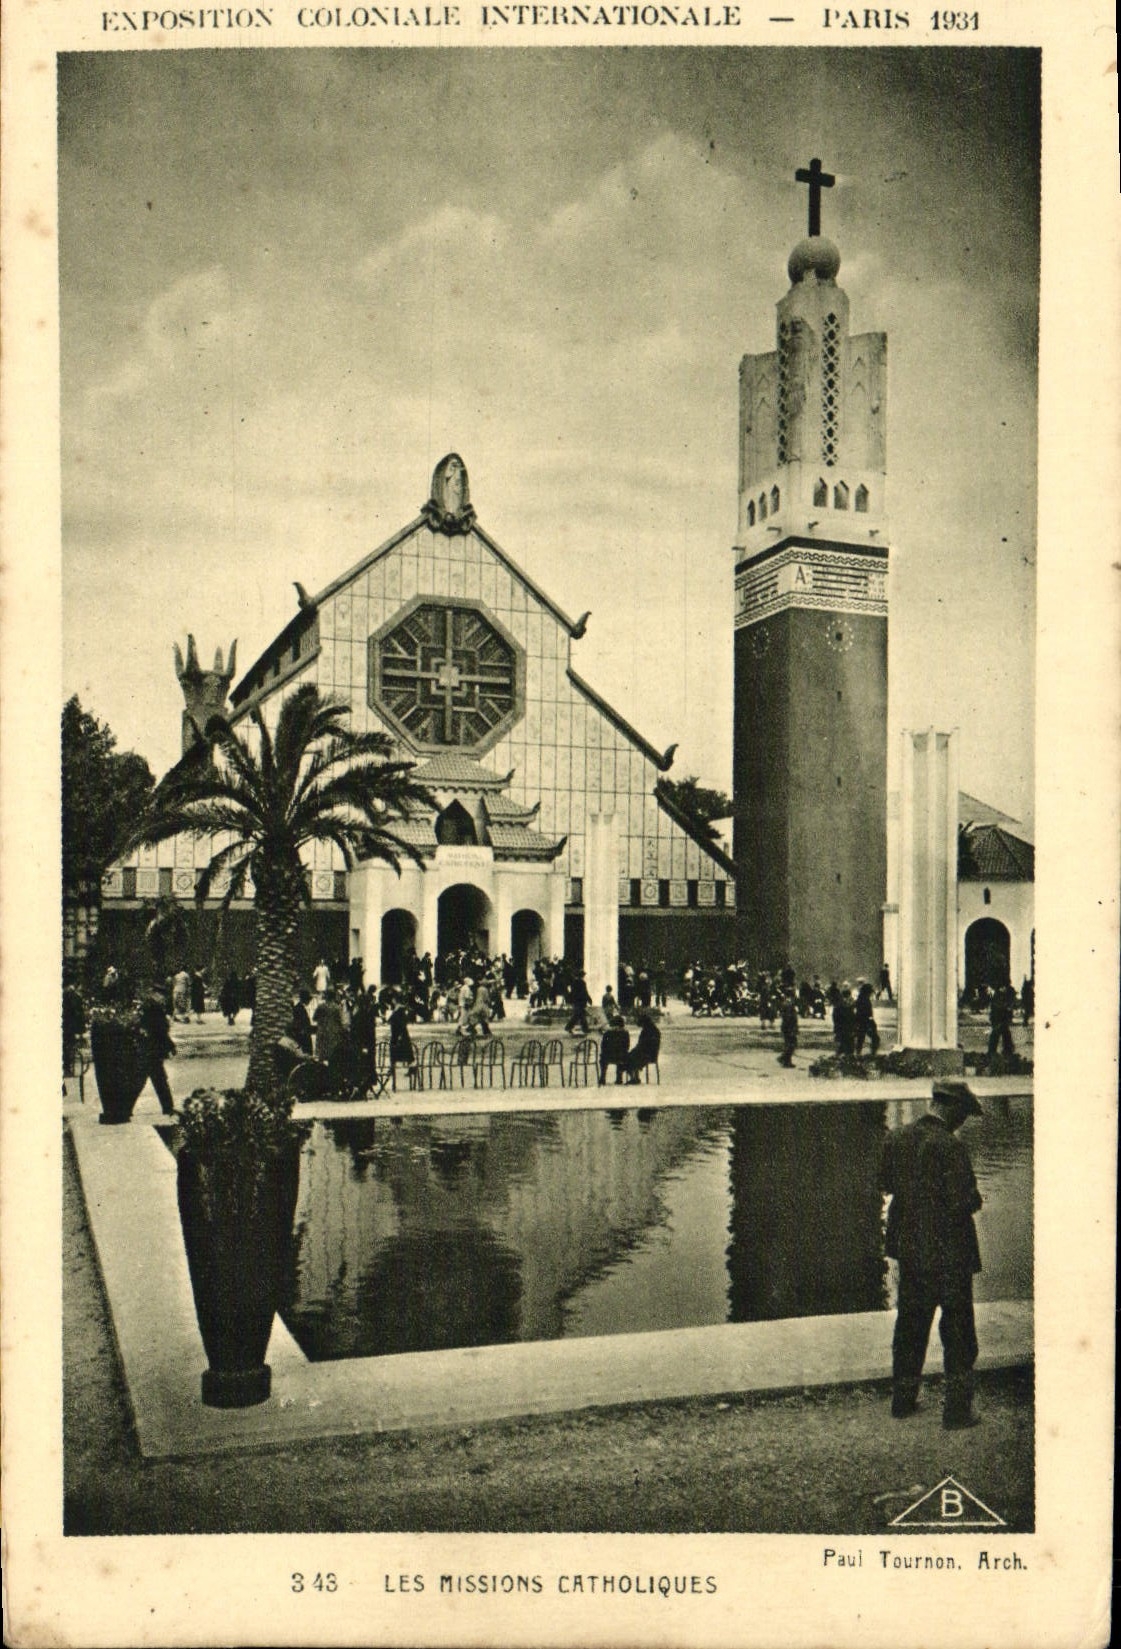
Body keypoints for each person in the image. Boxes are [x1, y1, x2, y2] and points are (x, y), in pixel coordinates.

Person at [881, 1078, 985, 1428]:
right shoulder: (950, 1147)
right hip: (949, 1253)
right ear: (952, 1109)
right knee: (958, 1331)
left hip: (910, 1250)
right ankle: (957, 1411)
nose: (963, 1123)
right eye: (963, 1116)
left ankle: (902, 1401)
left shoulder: (896, 1138)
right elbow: (965, 1201)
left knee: (910, 1325)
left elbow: (885, 1184)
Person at [138, 989, 178, 1116]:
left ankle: (125, 1107)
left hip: (148, 1050)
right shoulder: (155, 1009)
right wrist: (171, 1046)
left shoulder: (149, 1007)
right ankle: (168, 1108)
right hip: (153, 1051)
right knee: (159, 1080)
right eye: (162, 995)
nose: (163, 998)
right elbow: (161, 1031)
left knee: (143, 1081)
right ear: (157, 995)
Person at [625, 1011, 661, 1084]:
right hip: (652, 1054)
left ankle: (634, 1077)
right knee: (631, 1056)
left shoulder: (646, 1031)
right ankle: (635, 1077)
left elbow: (642, 1045)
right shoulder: (654, 1030)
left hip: (646, 1054)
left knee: (628, 1058)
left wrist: (634, 1051)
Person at [987, 983, 1016, 1061]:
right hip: (999, 1019)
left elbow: (1006, 1008)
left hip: (1001, 1020)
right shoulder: (998, 996)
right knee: (1000, 1035)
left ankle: (1004, 1052)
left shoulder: (1001, 995)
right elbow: (997, 1008)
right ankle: (997, 1052)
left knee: (1003, 1035)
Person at [599, 1015, 630, 1085]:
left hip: (608, 1056)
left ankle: (602, 1077)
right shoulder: (625, 1033)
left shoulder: (607, 1033)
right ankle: (619, 1078)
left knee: (603, 1059)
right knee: (621, 1058)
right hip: (621, 1056)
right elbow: (627, 1046)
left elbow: (603, 1046)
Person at [854, 980, 880, 1057]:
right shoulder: (864, 999)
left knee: (860, 1038)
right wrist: (871, 1021)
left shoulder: (861, 998)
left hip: (861, 1021)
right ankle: (873, 1053)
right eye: (870, 992)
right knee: (875, 1038)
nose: (871, 994)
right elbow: (866, 1012)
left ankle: (858, 1054)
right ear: (867, 992)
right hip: (865, 1021)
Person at [833, 982, 856, 1058]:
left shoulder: (839, 1004)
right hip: (848, 1027)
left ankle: (840, 1056)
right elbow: (853, 1016)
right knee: (848, 1044)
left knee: (843, 1043)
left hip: (842, 1028)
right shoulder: (851, 1004)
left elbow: (835, 1017)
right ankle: (847, 1057)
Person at [289, 986, 314, 1056]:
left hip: (303, 1036)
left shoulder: (300, 1008)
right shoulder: (299, 1009)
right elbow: (299, 1025)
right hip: (302, 1038)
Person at [778, 992, 799, 1067]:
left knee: (789, 1044)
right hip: (789, 1028)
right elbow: (789, 1018)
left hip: (787, 1027)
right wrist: (793, 1029)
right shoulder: (789, 1005)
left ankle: (785, 1059)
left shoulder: (786, 1004)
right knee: (791, 1045)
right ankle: (784, 1060)